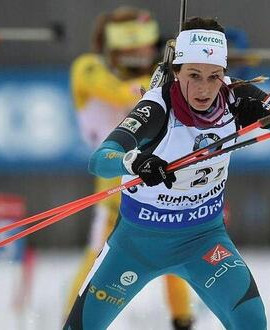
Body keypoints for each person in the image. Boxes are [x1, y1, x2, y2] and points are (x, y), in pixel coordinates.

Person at [64, 16, 270, 330]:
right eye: (194, 75)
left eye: (214, 76)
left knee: (252, 321)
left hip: (202, 241)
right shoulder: (157, 107)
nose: (204, 88)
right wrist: (135, 162)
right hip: (136, 244)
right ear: (176, 72)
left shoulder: (237, 99)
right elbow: (102, 159)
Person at [67, 7, 196, 330]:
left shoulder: (153, 74)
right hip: (113, 177)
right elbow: (119, 91)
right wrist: (172, 73)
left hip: (156, 172)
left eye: (144, 47)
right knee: (98, 261)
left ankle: (183, 320)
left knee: (172, 255)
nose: (141, 54)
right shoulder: (88, 68)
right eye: (132, 49)